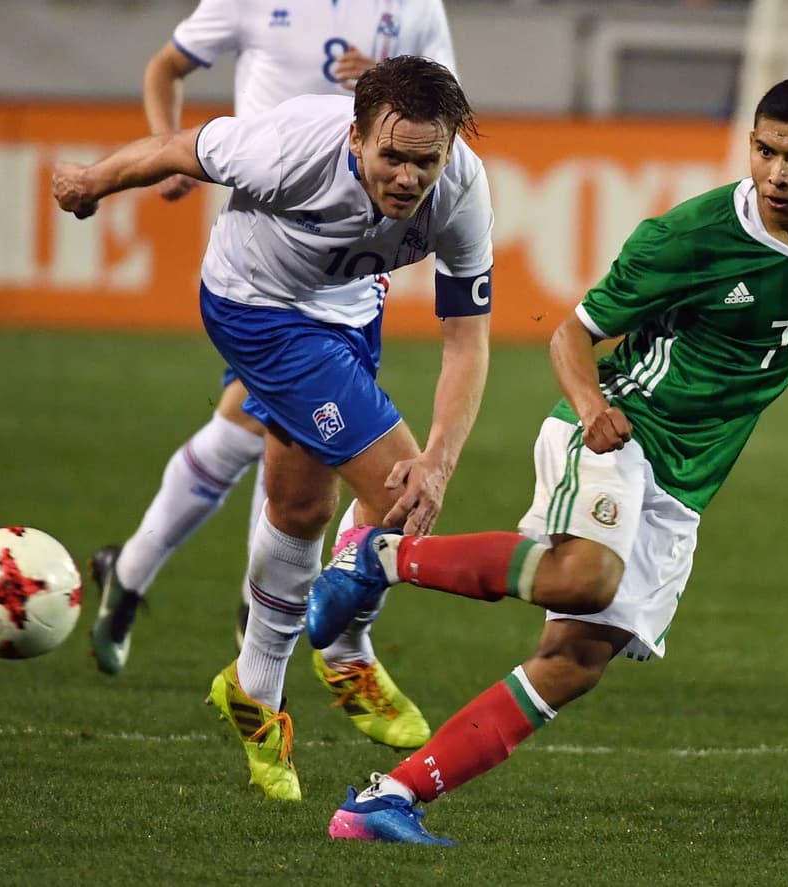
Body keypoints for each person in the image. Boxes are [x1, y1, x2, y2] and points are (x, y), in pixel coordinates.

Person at [303, 75, 788, 844]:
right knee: (585, 575)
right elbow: (571, 334)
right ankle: (380, 556)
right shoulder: (688, 236)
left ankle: (387, 798)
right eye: (766, 152)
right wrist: (591, 408)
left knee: (574, 659)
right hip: (622, 429)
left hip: (686, 484)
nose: (778, 173)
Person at [52, 55, 493, 800]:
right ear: (356, 139)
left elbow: (467, 338)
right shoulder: (288, 147)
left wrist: (445, 457)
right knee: (396, 495)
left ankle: (255, 690)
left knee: (300, 507)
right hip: (257, 310)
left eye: (427, 161)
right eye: (392, 156)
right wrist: (91, 181)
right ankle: (347, 649)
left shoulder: (463, 188)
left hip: (350, 312)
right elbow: (175, 149)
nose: (410, 178)